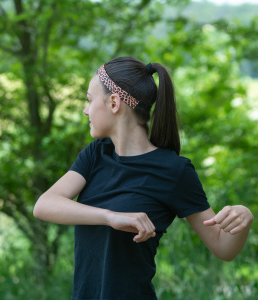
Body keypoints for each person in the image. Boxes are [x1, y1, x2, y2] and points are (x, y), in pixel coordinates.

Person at [33, 56, 254, 300]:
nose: (86, 110)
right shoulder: (96, 154)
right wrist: (110, 217)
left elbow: (223, 247)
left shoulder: (174, 170)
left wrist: (243, 216)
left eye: (89, 100)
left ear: (114, 102)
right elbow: (44, 205)